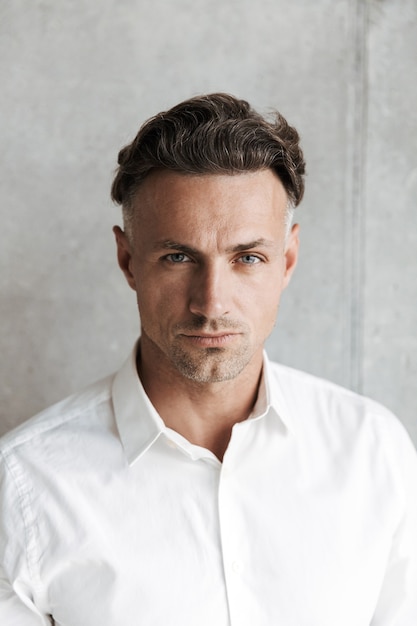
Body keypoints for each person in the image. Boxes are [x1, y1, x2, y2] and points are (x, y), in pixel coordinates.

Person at [0, 93, 416, 626]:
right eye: (178, 257)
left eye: (248, 258)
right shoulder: (25, 488)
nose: (211, 302)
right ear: (128, 261)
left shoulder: (373, 454)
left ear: (286, 260)